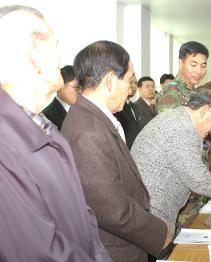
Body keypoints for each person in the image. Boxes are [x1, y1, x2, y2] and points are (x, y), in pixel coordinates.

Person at [0, 5, 110, 261]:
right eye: (55, 44)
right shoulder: (5, 145)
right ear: (35, 54)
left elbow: (85, 219)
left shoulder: (46, 129)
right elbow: (38, 251)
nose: (61, 56)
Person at [62, 40, 172, 261]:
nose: (131, 89)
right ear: (111, 80)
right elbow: (113, 210)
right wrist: (161, 232)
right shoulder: (87, 131)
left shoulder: (94, 117)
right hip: (114, 250)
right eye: (129, 80)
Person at [131, 87, 211, 232]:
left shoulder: (179, 120)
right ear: (205, 112)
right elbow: (197, 178)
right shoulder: (182, 129)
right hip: (151, 211)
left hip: (148, 206)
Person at [157, 41, 208, 113]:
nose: (199, 71)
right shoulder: (172, 93)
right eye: (193, 65)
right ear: (181, 63)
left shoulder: (192, 90)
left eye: (203, 66)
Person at [42, 65, 79, 130]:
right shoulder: (47, 117)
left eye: (82, 87)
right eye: (77, 87)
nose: (80, 91)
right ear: (60, 86)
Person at [114, 78, 139, 149]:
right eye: (130, 82)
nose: (134, 86)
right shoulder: (118, 107)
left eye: (135, 83)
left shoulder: (132, 105)